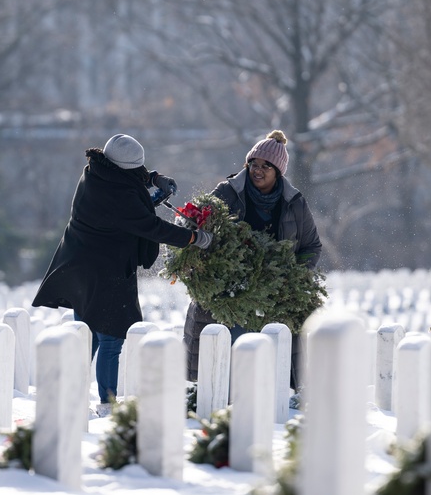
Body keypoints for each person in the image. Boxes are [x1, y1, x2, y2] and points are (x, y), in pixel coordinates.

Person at [32, 134, 212, 410]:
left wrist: (152, 179)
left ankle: (69, 396)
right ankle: (108, 403)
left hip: (79, 265)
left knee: (86, 334)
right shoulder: (119, 194)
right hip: (104, 271)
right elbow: (150, 227)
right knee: (111, 337)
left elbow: (122, 204)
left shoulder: (96, 173)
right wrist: (194, 239)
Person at [182, 129, 322, 388]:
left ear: (278, 171)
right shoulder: (228, 192)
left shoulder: (294, 202)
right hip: (229, 291)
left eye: (265, 166)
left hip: (274, 294)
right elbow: (200, 222)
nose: (257, 170)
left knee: (269, 356)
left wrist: (295, 277)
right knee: (229, 350)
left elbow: (311, 245)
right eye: (253, 164)